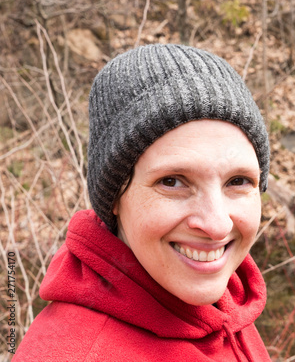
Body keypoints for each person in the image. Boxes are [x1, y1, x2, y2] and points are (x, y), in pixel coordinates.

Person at [13, 44, 271, 361]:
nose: (216, 225)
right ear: (115, 199)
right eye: (172, 181)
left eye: (238, 181)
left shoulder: (226, 299)